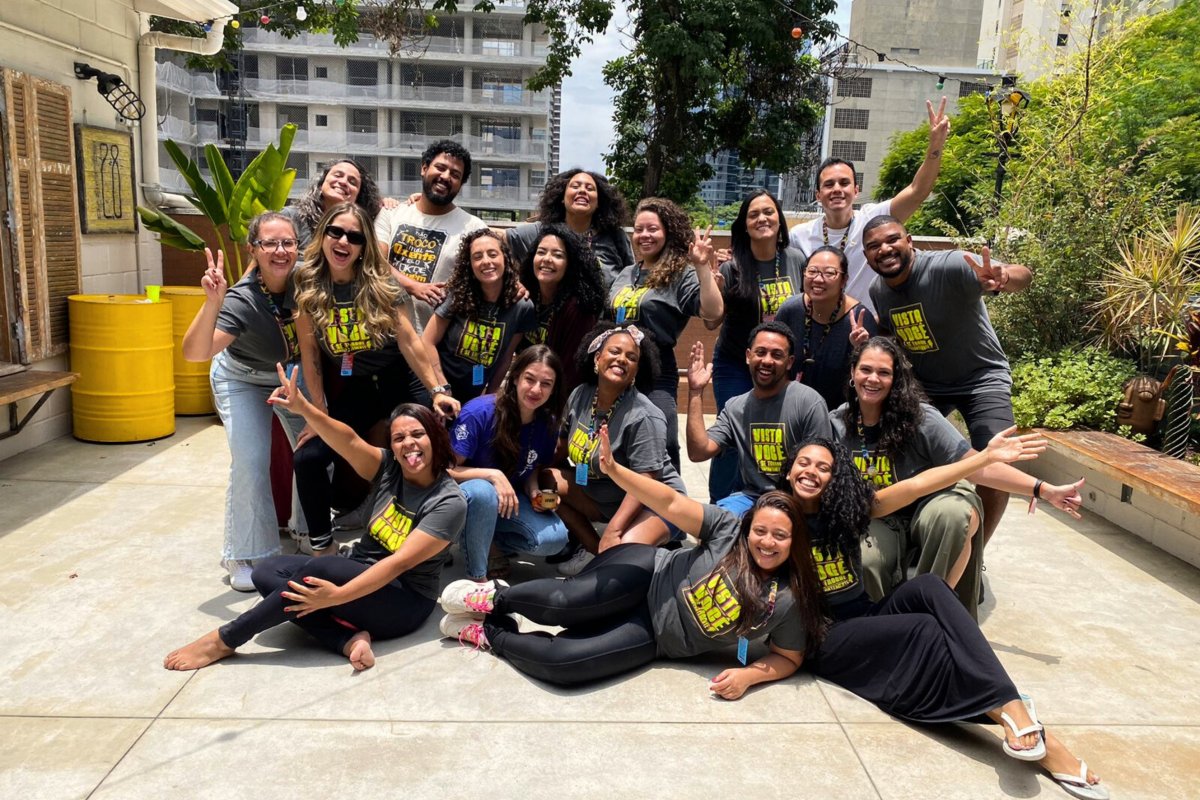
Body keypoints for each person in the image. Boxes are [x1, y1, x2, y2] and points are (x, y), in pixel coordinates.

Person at [779, 435, 1109, 800]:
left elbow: (918, 484)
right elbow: (716, 529)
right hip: (827, 637)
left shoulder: (846, 510)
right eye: (804, 463)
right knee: (924, 630)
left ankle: (1012, 706)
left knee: (931, 589)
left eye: (823, 467)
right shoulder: (777, 516)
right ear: (790, 467)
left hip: (866, 615)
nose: (811, 471)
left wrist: (982, 459)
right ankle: (1031, 728)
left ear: (835, 476)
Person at [436, 425, 826, 700]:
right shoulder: (728, 529)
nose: (767, 542)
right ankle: (492, 598)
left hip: (657, 635)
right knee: (563, 605)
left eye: (780, 536)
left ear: (795, 543)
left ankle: (489, 634)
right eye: (761, 530)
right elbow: (671, 502)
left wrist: (747, 676)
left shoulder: (789, 599)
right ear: (749, 527)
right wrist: (616, 471)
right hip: (647, 573)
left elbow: (788, 657)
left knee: (565, 664)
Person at [163, 370, 466, 673]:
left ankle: (226, 638)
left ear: (435, 438)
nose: (408, 444)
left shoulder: (448, 502)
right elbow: (347, 439)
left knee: (322, 568)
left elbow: (397, 564)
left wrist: (336, 596)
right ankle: (345, 639)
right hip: (359, 572)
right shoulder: (389, 468)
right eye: (399, 438)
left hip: (403, 602)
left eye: (417, 435)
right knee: (267, 572)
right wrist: (303, 407)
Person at [833, 337, 1083, 618]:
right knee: (865, 559)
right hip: (879, 517)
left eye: (884, 372)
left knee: (954, 513)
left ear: (896, 378)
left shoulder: (921, 418)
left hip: (928, 509)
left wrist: (1043, 489)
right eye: (866, 370)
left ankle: (931, 616)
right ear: (853, 372)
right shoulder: (837, 423)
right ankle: (880, 629)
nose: (873, 379)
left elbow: (976, 465)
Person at [293, 203, 458, 554]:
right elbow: (310, 355)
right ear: (323, 234)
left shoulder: (381, 284)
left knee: (422, 448)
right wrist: (318, 414)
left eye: (354, 236)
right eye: (335, 232)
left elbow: (410, 341)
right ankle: (322, 546)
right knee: (308, 457)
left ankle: (425, 537)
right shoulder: (307, 283)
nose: (343, 241)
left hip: (399, 377)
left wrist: (437, 390)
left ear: (364, 245)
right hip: (356, 384)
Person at [863, 215, 1033, 546]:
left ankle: (974, 553)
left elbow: (1023, 276)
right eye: (874, 246)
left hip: (981, 378)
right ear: (868, 256)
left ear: (909, 241)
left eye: (892, 239)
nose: (884, 249)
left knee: (995, 456)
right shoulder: (878, 290)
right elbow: (889, 331)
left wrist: (1004, 277)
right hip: (927, 385)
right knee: (897, 447)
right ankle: (915, 536)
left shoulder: (950, 265)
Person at [181, 212, 308, 591]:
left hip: (294, 377)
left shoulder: (307, 279)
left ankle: (306, 530)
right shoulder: (242, 298)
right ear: (253, 249)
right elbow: (194, 352)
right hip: (242, 378)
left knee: (315, 449)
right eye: (270, 243)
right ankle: (244, 551)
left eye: (288, 242)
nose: (280, 251)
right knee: (251, 460)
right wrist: (212, 302)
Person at [788, 98, 951, 313]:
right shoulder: (799, 235)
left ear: (856, 191)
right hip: (820, 328)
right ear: (818, 195)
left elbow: (917, 191)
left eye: (844, 183)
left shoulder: (874, 220)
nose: (837, 189)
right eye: (829, 184)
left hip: (870, 330)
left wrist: (935, 147)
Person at [554, 322, 688, 575]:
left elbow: (646, 479)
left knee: (621, 557)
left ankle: (653, 556)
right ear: (597, 358)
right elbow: (560, 446)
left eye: (631, 357)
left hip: (656, 502)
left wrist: (614, 531)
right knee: (547, 479)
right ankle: (595, 553)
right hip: (606, 496)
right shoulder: (580, 394)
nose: (622, 359)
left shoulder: (644, 416)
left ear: (637, 369)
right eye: (614, 351)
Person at [607, 197, 723, 468]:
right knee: (619, 442)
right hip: (617, 367)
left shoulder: (680, 273)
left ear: (668, 232)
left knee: (663, 440)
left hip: (656, 369)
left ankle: (669, 505)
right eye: (638, 229)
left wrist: (703, 268)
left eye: (652, 229)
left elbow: (713, 312)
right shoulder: (626, 273)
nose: (644, 235)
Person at [707, 190, 806, 503]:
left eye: (769, 212)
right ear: (745, 225)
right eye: (754, 214)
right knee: (733, 437)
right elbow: (712, 321)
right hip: (736, 363)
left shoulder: (796, 259)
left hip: (782, 365)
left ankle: (770, 503)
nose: (763, 218)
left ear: (779, 219)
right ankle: (720, 509)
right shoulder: (731, 267)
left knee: (776, 435)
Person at [449, 345, 569, 582]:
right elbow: (446, 469)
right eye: (530, 379)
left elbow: (533, 467)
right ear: (515, 377)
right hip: (468, 498)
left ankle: (483, 536)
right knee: (483, 492)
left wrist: (534, 491)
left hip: (507, 500)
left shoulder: (548, 422)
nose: (536, 389)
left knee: (554, 539)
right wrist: (492, 475)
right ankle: (478, 577)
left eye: (546, 383)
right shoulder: (479, 412)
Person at [685, 322, 830, 517]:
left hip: (798, 500)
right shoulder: (735, 408)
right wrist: (695, 393)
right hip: (752, 499)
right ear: (748, 356)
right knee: (714, 525)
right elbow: (698, 452)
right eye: (760, 352)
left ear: (789, 362)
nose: (767, 361)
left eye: (777, 355)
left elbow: (824, 469)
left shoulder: (809, 402)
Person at [374, 139, 487, 329]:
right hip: (383, 333)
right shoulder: (391, 213)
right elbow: (375, 261)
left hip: (434, 342)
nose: (445, 176)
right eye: (440, 167)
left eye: (455, 174)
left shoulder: (473, 228)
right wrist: (412, 286)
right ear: (424, 168)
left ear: (460, 184)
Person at [422, 228, 537, 401]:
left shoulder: (522, 306)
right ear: (470, 264)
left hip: (474, 392)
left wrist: (489, 396)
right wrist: (442, 387)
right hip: (435, 386)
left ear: (505, 258)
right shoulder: (457, 294)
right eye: (477, 257)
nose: (486, 261)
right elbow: (427, 342)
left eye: (492, 254)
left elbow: (506, 357)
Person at [775, 245, 878, 409]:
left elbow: (872, 374)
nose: (817, 279)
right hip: (792, 407)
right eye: (812, 271)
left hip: (841, 412)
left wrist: (862, 349)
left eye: (829, 273)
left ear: (844, 280)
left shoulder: (860, 320)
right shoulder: (790, 310)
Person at [503, 169, 634, 289]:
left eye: (590, 188)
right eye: (575, 186)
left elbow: (632, 278)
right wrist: (512, 282)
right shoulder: (542, 231)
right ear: (562, 197)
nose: (582, 191)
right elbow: (493, 237)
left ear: (599, 202)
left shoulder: (615, 236)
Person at [517, 223, 606, 389]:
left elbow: (571, 375)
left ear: (570, 264)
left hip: (559, 397)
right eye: (541, 252)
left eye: (557, 255)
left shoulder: (578, 309)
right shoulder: (527, 297)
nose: (547, 259)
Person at [283, 159, 383, 251]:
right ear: (322, 182)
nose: (343, 182)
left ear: (359, 196)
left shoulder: (360, 230)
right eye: (338, 175)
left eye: (352, 182)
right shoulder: (289, 217)